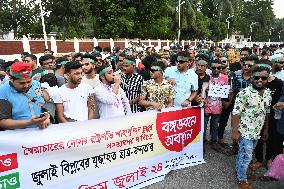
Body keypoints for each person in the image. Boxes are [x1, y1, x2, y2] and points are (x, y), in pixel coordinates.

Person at [232, 66, 272, 189]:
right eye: (256, 77)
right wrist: (234, 132)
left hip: (257, 131)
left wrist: (265, 129)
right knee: (247, 156)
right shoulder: (244, 93)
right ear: (252, 78)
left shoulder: (267, 93)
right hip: (245, 132)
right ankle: (241, 179)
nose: (260, 80)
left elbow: (267, 111)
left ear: (268, 79)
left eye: (263, 78)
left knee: (243, 154)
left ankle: (240, 172)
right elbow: (236, 113)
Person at [0, 62, 50, 130]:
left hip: (41, 130)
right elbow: (2, 122)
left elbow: (45, 103)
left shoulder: (36, 84)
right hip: (18, 134)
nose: (26, 86)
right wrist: (29, 122)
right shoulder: (3, 91)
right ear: (11, 79)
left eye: (29, 82)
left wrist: (47, 116)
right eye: (21, 83)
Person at [204, 59, 228, 151]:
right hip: (206, 105)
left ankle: (214, 141)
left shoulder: (224, 77)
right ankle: (202, 141)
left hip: (217, 106)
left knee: (215, 125)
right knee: (204, 125)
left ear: (221, 68)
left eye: (219, 68)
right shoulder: (207, 77)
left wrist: (227, 93)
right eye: (214, 67)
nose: (216, 69)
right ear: (210, 67)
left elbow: (225, 91)